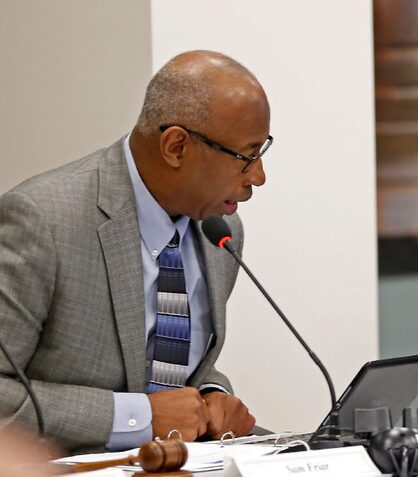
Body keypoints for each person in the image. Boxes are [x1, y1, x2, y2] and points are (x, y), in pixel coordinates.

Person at [0, 50, 268, 452]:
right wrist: (138, 418)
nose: (258, 178)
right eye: (246, 158)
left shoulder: (221, 231)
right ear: (176, 147)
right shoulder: (42, 220)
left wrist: (213, 395)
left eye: (262, 153)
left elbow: (174, 367)